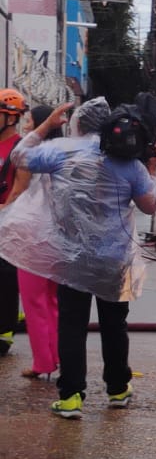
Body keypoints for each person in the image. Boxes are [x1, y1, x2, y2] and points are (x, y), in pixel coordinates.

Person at [0, 97, 156, 419]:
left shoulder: (61, 152)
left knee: (72, 325)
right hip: (114, 260)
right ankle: (117, 389)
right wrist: (152, 169)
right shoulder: (129, 163)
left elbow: (19, 156)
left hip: (70, 258)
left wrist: (45, 125)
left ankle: (71, 396)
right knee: (114, 325)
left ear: (77, 124)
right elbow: (150, 206)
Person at [13, 104, 67, 379]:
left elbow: (17, 191)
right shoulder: (65, 155)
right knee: (52, 300)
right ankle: (55, 356)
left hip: (32, 236)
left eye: (29, 121)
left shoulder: (32, 156)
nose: (25, 126)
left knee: (34, 303)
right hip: (58, 237)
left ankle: (43, 362)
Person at [0, 88, 28, 356]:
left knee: (6, 279)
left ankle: (4, 333)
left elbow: (20, 189)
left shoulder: (20, 149)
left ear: (11, 118)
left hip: (8, 223)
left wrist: (4, 212)